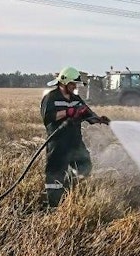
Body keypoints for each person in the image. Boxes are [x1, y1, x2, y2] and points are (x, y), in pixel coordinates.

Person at [40, 66, 110, 208]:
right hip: (58, 143)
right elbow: (48, 117)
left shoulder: (76, 99)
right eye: (73, 84)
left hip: (75, 142)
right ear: (64, 82)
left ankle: (67, 186)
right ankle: (52, 206)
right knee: (55, 175)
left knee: (85, 166)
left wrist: (99, 119)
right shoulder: (51, 97)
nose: (75, 87)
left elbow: (87, 113)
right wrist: (68, 112)